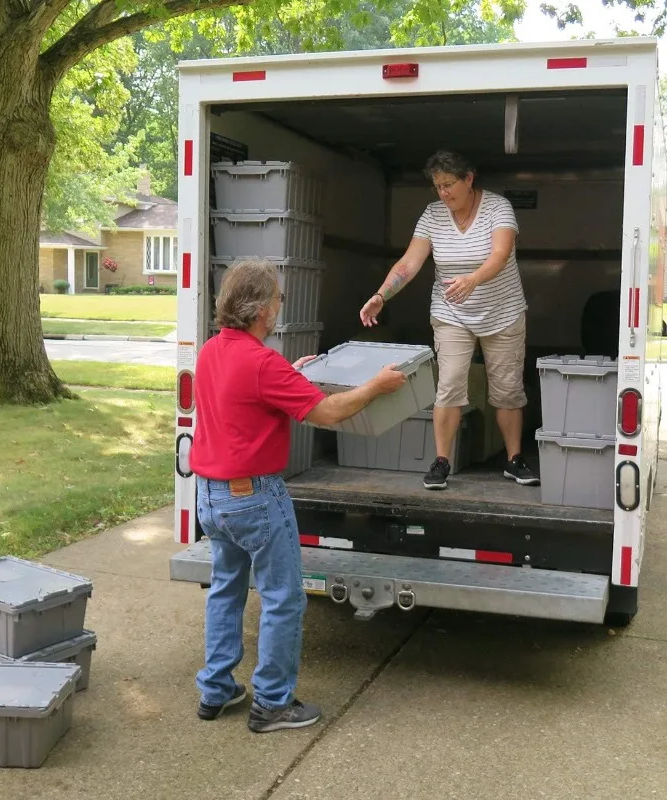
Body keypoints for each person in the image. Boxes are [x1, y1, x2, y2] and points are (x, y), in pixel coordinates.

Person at [191, 257, 406, 733]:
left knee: (226, 590)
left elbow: (244, 391)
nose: (279, 305)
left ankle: (216, 689)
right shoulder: (262, 363)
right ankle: (271, 704)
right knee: (283, 598)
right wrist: (377, 385)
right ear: (263, 309)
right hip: (255, 497)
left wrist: (291, 373)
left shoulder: (212, 351)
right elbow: (328, 412)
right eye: (278, 298)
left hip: (210, 496)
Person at [359, 150, 540, 491]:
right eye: (437, 187)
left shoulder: (498, 208)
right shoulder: (433, 215)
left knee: (507, 388)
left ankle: (514, 460)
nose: (443, 193)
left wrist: (472, 279)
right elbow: (409, 263)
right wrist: (382, 295)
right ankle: (442, 461)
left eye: (449, 185)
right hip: (451, 311)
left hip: (502, 310)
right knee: (450, 384)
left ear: (469, 178)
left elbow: (500, 255)